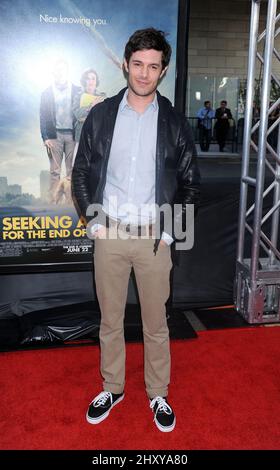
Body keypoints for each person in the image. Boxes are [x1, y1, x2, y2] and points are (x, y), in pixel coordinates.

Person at [72, 28, 200, 433]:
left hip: (153, 239)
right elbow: (79, 172)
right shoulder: (101, 114)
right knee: (109, 320)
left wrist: (168, 234)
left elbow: (192, 184)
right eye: (138, 64)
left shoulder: (176, 122)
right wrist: (93, 222)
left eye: (154, 66)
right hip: (108, 232)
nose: (144, 74)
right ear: (127, 64)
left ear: (163, 72)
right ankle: (112, 387)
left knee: (156, 323)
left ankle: (158, 393)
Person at [40, 60, 80, 203]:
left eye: (63, 70)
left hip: (73, 135)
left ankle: (71, 204)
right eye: (57, 70)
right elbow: (43, 116)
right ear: (53, 73)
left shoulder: (77, 90)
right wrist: (45, 137)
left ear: (67, 72)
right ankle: (53, 204)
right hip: (54, 136)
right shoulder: (46, 93)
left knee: (72, 171)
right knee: (55, 171)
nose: (60, 73)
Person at [73, 68, 106, 144]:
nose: (90, 81)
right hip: (81, 136)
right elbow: (78, 115)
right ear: (84, 81)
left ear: (96, 81)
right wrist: (91, 106)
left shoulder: (102, 96)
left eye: (93, 79)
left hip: (98, 136)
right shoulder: (78, 96)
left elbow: (103, 117)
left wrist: (85, 117)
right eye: (88, 79)